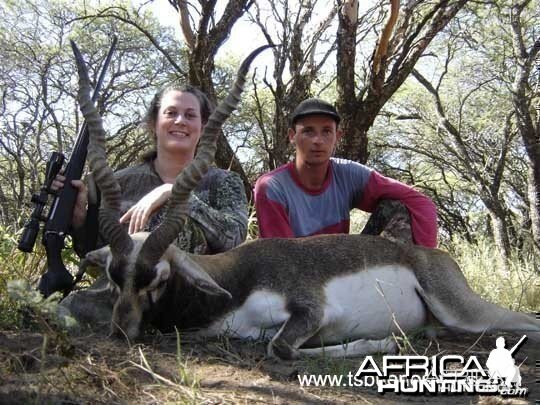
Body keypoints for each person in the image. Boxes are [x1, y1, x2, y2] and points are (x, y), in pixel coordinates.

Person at [55, 84, 248, 329]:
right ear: (154, 123)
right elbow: (99, 255)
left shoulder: (224, 181)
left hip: (193, 303)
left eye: (190, 115)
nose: (180, 121)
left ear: (203, 127)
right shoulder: (118, 182)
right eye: (170, 113)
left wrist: (176, 194)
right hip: (124, 299)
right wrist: (81, 221)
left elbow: (234, 240)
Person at [254, 98, 437, 247]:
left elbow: (420, 203)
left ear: (337, 137)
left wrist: (428, 265)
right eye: (308, 131)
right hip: (296, 275)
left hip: (345, 268)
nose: (318, 140)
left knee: (399, 207)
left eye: (326, 131)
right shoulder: (272, 187)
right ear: (292, 136)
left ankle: (400, 286)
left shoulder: (348, 173)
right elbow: (282, 258)